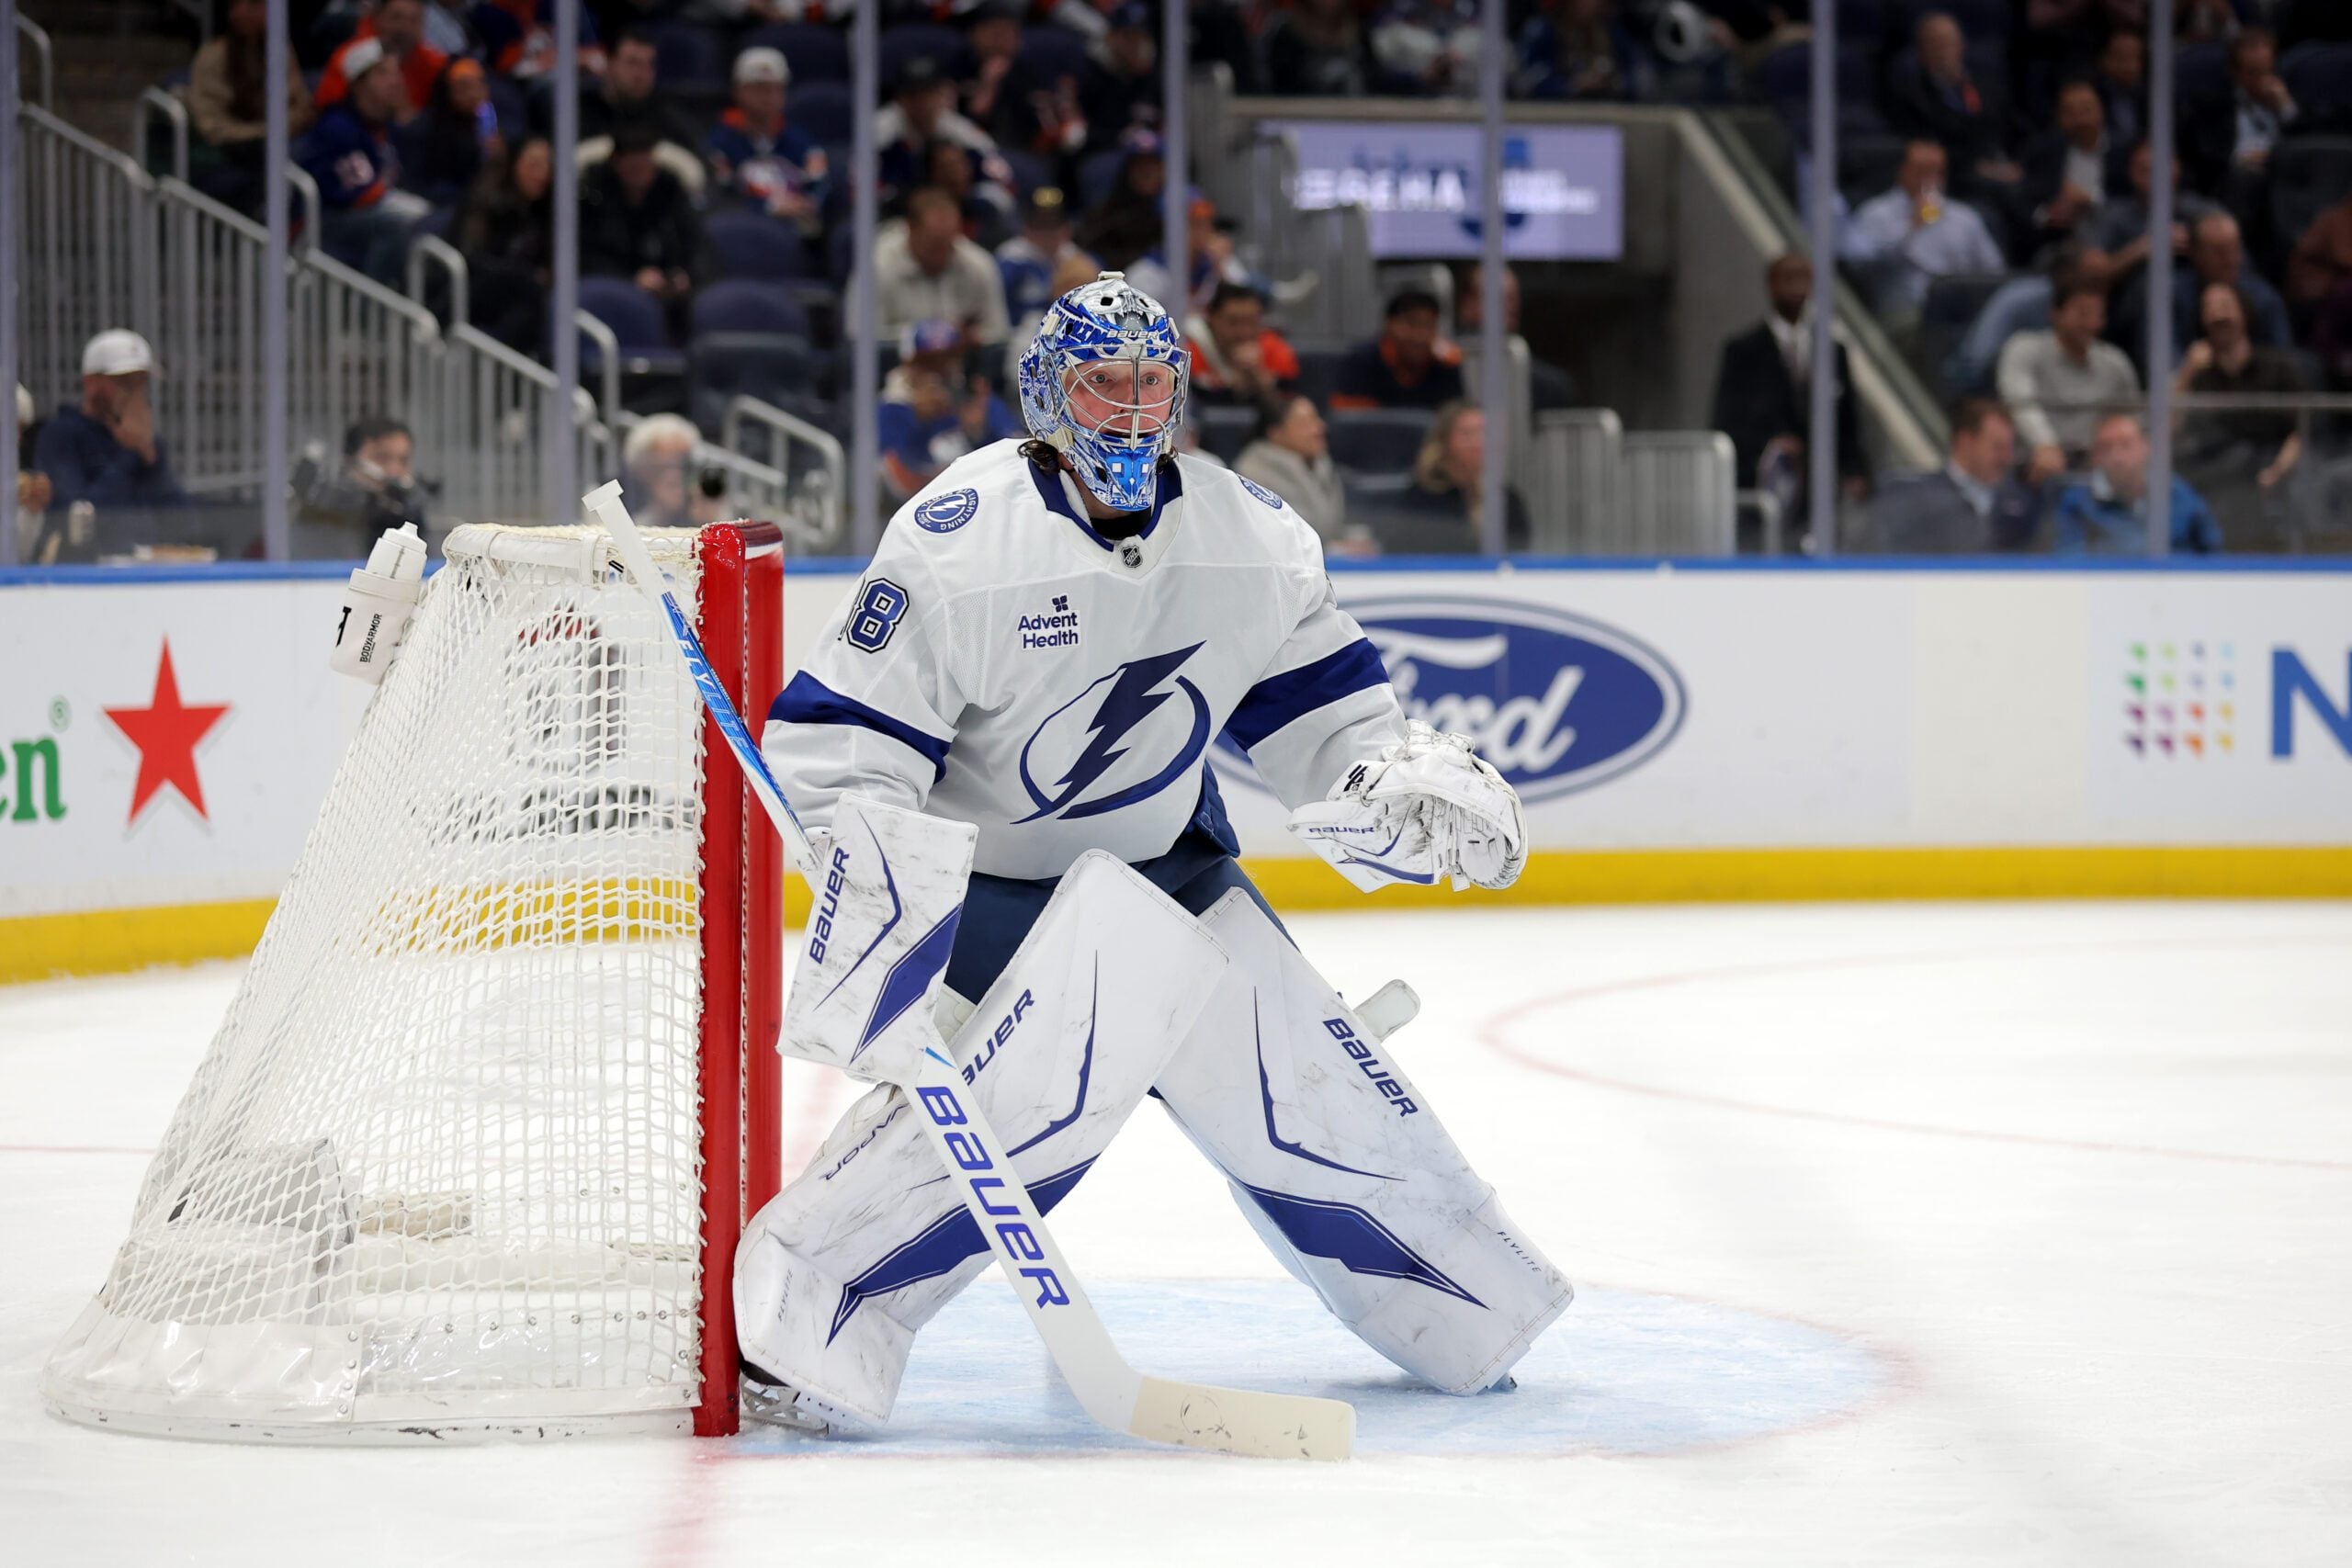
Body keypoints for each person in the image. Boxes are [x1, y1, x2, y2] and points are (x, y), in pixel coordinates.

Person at [738, 269, 1566, 1433]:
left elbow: (1328, 730)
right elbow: (839, 756)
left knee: (1308, 1078)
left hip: (1165, 864)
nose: (1128, 409)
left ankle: (1471, 1310)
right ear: (1046, 391)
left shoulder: (1253, 536)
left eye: (1149, 382)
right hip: (992, 887)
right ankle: (806, 1314)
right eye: (1101, 381)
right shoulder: (958, 543)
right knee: (1049, 1078)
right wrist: (887, 942)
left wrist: (1385, 791)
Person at [1711, 253, 1865, 505]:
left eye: (1804, 278)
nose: (1797, 287)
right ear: (1771, 284)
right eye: (1789, 278)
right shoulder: (1743, 351)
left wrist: (1855, 470)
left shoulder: (1832, 352)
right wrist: (1769, 447)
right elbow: (1726, 420)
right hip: (1764, 489)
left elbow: (1848, 420)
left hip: (1820, 490)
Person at [2175, 281, 2305, 546]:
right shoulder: (2198, 378)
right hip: (2217, 479)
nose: (2218, 316)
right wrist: (2187, 374)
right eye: (2209, 309)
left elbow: (2301, 431)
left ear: (2244, 313)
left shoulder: (2277, 367)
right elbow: (2170, 431)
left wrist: (2277, 471)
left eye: (2225, 306)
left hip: (2272, 472)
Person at [35, 331, 187, 551]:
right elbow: (78, 519)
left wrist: (151, 459)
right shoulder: (61, 434)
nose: (134, 392)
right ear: (90, 383)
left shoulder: (149, 443)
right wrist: (129, 454)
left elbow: (183, 523)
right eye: (124, 382)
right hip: (88, 575)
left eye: (140, 382)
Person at [300, 42, 434, 287]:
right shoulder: (338, 126)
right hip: (329, 219)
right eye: (383, 73)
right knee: (401, 223)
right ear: (359, 84)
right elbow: (359, 196)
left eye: (396, 73)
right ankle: (372, 308)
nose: (395, 81)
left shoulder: (389, 126)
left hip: (369, 211)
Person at [1838, 140, 2006, 329]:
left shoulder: (1964, 217)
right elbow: (1856, 261)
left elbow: (1994, 271)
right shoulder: (1875, 214)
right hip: (1903, 312)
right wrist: (1911, 227)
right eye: (1921, 171)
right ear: (1902, 170)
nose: (1928, 179)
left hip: (1960, 313)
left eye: (1936, 172)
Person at [1885, 11, 2022, 236]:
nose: (1944, 50)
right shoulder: (1912, 93)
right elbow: (1926, 147)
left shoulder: (1986, 85)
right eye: (1936, 43)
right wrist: (1979, 167)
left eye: (1949, 42)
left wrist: (2017, 163)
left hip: (2000, 166)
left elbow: (2016, 127)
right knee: (2004, 197)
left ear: (1961, 45)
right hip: (1957, 176)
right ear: (1921, 51)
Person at [1996, 276, 2142, 485]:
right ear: (2056, 314)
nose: (2092, 323)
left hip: (2094, 471)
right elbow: (2019, 400)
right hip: (2033, 465)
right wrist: (2045, 444)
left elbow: (2132, 419)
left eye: (2098, 315)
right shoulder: (2024, 348)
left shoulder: (2115, 363)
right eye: (2083, 314)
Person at [580, 124, 715, 332]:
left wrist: (686, 276)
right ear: (617, 163)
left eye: (646, 165)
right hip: (616, 290)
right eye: (633, 167)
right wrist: (631, 278)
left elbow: (700, 247)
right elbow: (585, 257)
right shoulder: (593, 199)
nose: (641, 173)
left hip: (672, 298)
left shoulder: (672, 194)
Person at [186, 0, 316, 214]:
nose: (261, 11)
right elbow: (211, 124)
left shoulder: (279, 49)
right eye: (252, 4)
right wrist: (262, 133)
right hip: (231, 150)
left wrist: (285, 126)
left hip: (280, 138)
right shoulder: (213, 56)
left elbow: (299, 103)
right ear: (233, 11)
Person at [878, 320, 1023, 502]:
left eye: (948, 361)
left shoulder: (975, 401)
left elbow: (1020, 457)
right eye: (928, 362)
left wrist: (976, 431)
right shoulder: (893, 408)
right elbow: (899, 485)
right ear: (908, 366)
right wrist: (920, 423)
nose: (939, 372)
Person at [1867, 398, 2038, 552]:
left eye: (2010, 448)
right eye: (1998, 447)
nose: (2007, 458)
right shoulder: (1917, 498)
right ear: (1966, 442)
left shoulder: (2020, 502)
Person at [1365, 401, 1531, 552]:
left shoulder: (1505, 498)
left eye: (1484, 433)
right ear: (1444, 441)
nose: (1477, 443)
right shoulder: (1422, 498)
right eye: (1467, 434)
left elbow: (1519, 550)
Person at [867, 187, 1012, 355]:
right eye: (934, 244)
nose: (942, 253)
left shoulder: (978, 264)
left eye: (949, 243)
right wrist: (922, 336)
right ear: (910, 228)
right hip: (894, 369)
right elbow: (858, 337)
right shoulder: (878, 265)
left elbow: (999, 333)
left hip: (963, 368)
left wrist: (973, 336)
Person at [2053, 412, 2222, 555]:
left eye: (2126, 446)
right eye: (2106, 448)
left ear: (2144, 448)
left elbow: (2210, 553)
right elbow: (2069, 558)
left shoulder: (2177, 493)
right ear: (2095, 456)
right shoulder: (2077, 501)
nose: (2117, 458)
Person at [2182, 27, 2297, 224]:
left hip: (2282, 178)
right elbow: (2207, 156)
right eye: (2253, 73)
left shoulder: (2285, 99)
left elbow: (2304, 144)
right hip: (2234, 183)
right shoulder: (2214, 105)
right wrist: (2241, 159)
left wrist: (2286, 108)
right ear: (2234, 71)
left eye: (2267, 71)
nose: (2263, 80)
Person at [707, 47, 828, 227]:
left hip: (796, 230)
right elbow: (719, 196)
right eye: (759, 88)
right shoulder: (718, 144)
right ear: (737, 91)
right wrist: (767, 207)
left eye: (775, 88)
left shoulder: (803, 142)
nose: (768, 96)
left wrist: (806, 204)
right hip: (743, 230)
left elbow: (820, 185)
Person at [876, 56, 1011, 216]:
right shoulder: (880, 132)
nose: (923, 102)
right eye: (913, 94)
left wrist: (970, 202)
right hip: (896, 215)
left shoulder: (962, 132)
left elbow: (1002, 183)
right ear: (899, 98)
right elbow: (860, 190)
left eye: (929, 92)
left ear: (941, 94)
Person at [459, 135, 554, 352]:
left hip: (521, 300)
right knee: (528, 293)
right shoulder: (487, 202)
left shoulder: (546, 212)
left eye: (547, 166)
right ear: (513, 165)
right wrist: (525, 275)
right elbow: (471, 256)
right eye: (533, 165)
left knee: (528, 310)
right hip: (474, 288)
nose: (542, 174)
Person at [294, 414, 431, 556]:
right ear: (349, 460)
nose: (394, 471)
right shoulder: (320, 510)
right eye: (381, 458)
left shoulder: (410, 515)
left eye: (403, 461)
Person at [2022, 80, 2123, 255]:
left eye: (2086, 110)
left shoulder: (2123, 152)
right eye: (2070, 112)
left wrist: (2090, 200)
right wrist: (2047, 215)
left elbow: (2131, 202)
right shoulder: (2045, 151)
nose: (2080, 119)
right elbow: (2028, 201)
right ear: (2059, 117)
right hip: (2058, 244)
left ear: (2101, 111)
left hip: (2111, 243)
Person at [1458, 264, 1577, 411]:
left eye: (1512, 298)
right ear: (1468, 303)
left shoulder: (1547, 385)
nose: (1509, 306)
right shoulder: (1446, 366)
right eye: (1497, 297)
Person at [1235, 391, 1350, 545]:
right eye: (1305, 423)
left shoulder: (1322, 466)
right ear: (1275, 433)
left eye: (1316, 420)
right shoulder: (1254, 473)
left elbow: (1333, 529)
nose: (1319, 429)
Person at [1330, 288, 1466, 411]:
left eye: (1428, 325)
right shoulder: (1361, 360)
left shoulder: (1445, 364)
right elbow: (1349, 423)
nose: (1419, 335)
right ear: (1389, 324)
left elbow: (1456, 421)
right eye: (1411, 324)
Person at [315, 0, 446, 122]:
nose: (405, 28)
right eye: (396, 17)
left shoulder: (429, 61)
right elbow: (327, 108)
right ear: (377, 17)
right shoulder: (350, 58)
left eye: (414, 20)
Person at [399, 57, 501, 207]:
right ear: (447, 91)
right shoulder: (428, 127)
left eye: (479, 84)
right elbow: (427, 182)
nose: (473, 94)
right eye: (464, 87)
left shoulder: (487, 120)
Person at [1184, 282, 1301, 411]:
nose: (1244, 332)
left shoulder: (1275, 350)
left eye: (1251, 322)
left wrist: (1260, 380)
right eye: (1233, 322)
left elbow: (1292, 415)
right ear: (1211, 319)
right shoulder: (1189, 352)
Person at [999, 187, 1081, 352]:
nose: (1048, 234)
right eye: (1041, 226)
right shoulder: (1011, 259)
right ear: (1027, 227)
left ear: (1066, 229)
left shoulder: (1077, 259)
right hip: (1016, 337)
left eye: (1054, 226)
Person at [1516, 0, 1646, 103]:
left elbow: (1640, 77)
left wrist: (1613, 83)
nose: (1590, 3)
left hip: (1605, 111)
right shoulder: (1546, 31)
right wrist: (1572, 85)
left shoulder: (1612, 32)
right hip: (1556, 114)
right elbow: (1530, 80)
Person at [1078, 3, 1163, 154]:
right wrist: (1119, 137)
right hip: (1105, 154)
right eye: (1127, 36)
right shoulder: (1089, 72)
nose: (1135, 43)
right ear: (1111, 37)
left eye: (1140, 36)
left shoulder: (1153, 76)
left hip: (1149, 155)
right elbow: (1079, 135)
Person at [622, 412, 715, 529]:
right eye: (662, 468)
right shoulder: (633, 528)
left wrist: (708, 521)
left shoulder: (716, 514)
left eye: (683, 466)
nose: (674, 478)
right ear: (642, 473)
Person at [1265, 0, 1372, 96]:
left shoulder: (1359, 32)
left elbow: (1375, 85)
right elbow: (1278, 91)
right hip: (1303, 114)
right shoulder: (1286, 36)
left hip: (1355, 112)